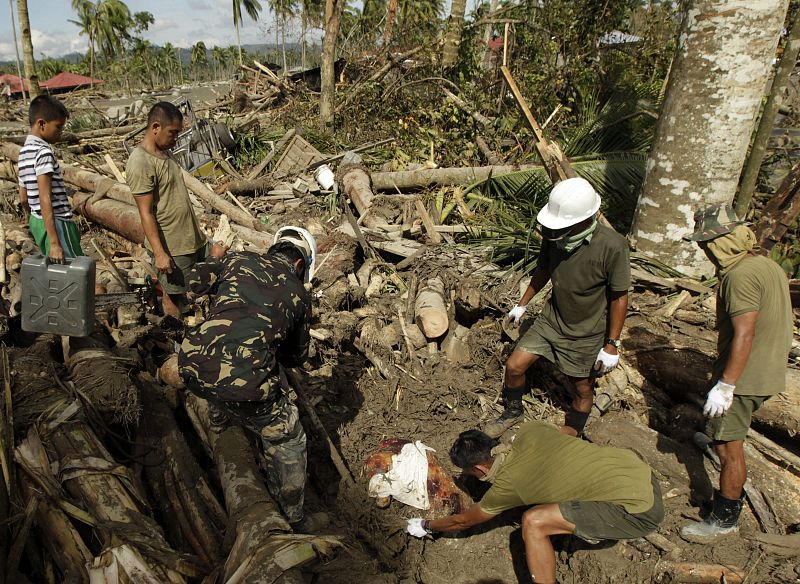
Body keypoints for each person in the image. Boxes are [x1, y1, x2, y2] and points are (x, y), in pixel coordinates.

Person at [178, 226, 325, 533]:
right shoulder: (298, 294)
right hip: (244, 384)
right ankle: (293, 517)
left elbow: (192, 282)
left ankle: (220, 419)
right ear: (300, 264)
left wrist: (214, 257)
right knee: (289, 437)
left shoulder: (238, 259)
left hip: (191, 364)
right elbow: (294, 359)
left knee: (222, 369)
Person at [406, 421, 664, 584]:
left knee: (534, 522)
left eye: (469, 473)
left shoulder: (508, 486)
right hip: (642, 474)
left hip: (639, 513)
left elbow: (462, 521)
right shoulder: (530, 429)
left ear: (480, 470)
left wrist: (426, 524)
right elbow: (569, 431)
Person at [485, 177, 630, 438]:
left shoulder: (612, 246)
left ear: (584, 220)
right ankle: (513, 411)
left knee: (583, 390)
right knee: (515, 366)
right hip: (552, 319)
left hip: (585, 332)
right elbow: (543, 270)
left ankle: (573, 431)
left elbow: (620, 296)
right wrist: (522, 304)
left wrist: (612, 344)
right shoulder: (555, 237)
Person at [680, 203, 792, 541]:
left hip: (745, 377)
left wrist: (726, 385)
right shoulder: (762, 264)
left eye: (704, 243)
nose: (703, 250)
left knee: (729, 447)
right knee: (723, 436)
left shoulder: (739, 277)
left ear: (718, 242)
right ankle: (716, 442)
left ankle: (724, 520)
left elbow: (745, 333)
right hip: (767, 367)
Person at [126, 101, 207, 318]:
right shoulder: (140, 162)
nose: (175, 138)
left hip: (188, 238)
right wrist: (160, 253)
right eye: (172, 133)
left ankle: (187, 320)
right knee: (172, 294)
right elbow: (146, 212)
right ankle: (175, 339)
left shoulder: (164, 153)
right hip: (172, 244)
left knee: (187, 288)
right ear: (155, 128)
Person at [17, 95, 83, 262]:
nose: (60, 132)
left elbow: (23, 197)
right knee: (73, 270)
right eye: (58, 127)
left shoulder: (24, 152)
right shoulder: (43, 152)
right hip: (57, 223)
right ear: (41, 124)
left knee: (55, 272)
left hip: (38, 222)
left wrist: (33, 220)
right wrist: (55, 242)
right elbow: (45, 197)